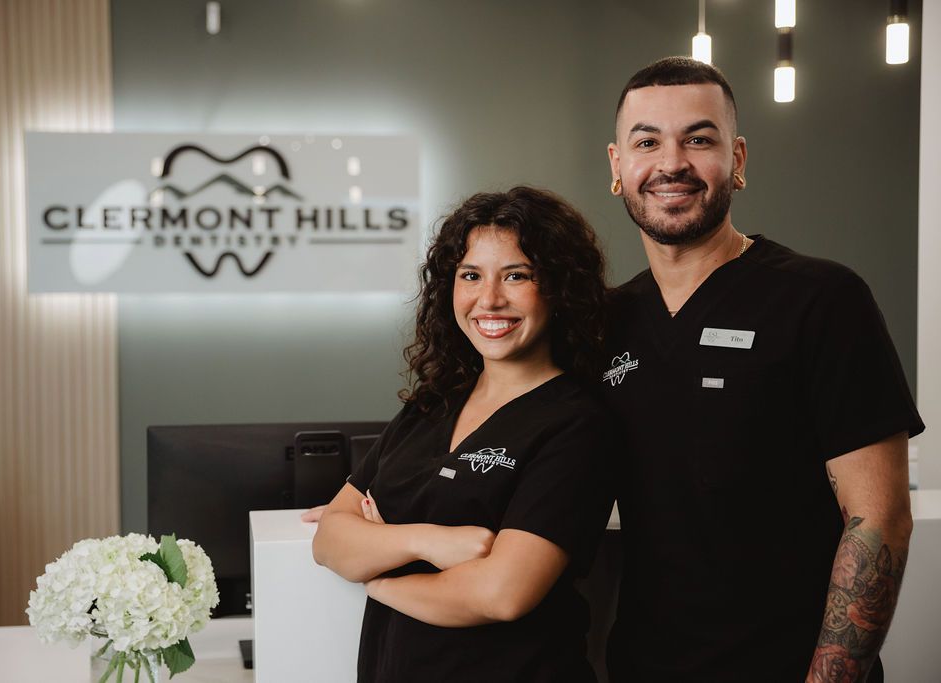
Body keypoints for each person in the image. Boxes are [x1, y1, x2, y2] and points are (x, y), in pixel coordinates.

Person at [601, 56, 924, 683]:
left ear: (739, 160)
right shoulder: (607, 320)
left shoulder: (821, 298)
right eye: (647, 141)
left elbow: (879, 517)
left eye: (699, 138)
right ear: (618, 167)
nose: (672, 163)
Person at [311, 186, 615, 682]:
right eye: (470, 275)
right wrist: (430, 543)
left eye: (517, 276)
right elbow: (330, 540)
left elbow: (501, 594)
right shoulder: (431, 406)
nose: (489, 299)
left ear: (558, 289)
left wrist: (379, 575)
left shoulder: (576, 426)